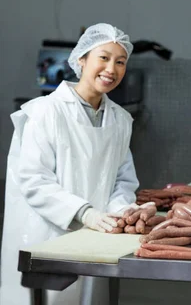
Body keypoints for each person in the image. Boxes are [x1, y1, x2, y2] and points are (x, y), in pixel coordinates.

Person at [0, 23, 141, 305]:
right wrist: (84, 212)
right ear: (81, 59)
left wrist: (124, 212)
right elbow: (33, 180)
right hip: (45, 238)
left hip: (96, 243)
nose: (111, 69)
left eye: (120, 61)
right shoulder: (44, 112)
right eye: (103, 57)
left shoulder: (120, 120)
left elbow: (122, 180)